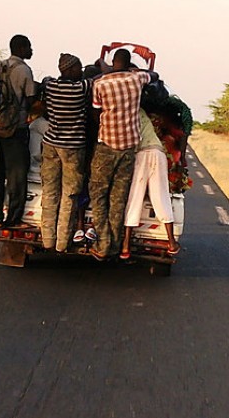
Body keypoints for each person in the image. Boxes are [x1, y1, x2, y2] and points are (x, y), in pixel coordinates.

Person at [88, 48, 155, 260]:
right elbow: (153, 76)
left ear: (112, 62)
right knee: (118, 198)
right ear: (128, 63)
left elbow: (96, 110)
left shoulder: (100, 83)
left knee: (98, 195)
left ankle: (103, 243)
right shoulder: (137, 79)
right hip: (128, 149)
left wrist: (104, 69)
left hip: (106, 145)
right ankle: (116, 245)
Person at [40, 53, 90, 253]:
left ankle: (47, 240)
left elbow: (45, 81)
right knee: (69, 195)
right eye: (78, 68)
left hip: (51, 144)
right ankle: (62, 243)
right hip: (73, 148)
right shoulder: (82, 88)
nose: (81, 71)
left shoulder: (50, 86)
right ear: (69, 69)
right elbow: (96, 79)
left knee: (50, 192)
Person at [120, 109, 180, 259]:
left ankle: (126, 245)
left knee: (135, 197)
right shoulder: (141, 112)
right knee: (161, 196)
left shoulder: (122, 114)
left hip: (141, 154)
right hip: (157, 153)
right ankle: (171, 243)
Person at [0, 34, 36, 228]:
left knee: (0, 172)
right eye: (29, 47)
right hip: (15, 127)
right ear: (22, 48)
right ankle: (14, 219)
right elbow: (31, 99)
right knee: (17, 175)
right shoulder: (24, 70)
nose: (31, 50)